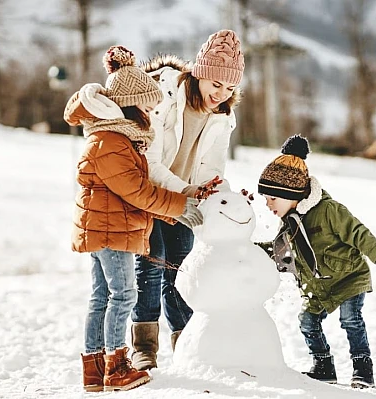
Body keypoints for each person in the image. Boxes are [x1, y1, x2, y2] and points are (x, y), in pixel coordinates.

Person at [64, 45, 214, 392]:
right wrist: (178, 205)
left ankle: (94, 370)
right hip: (109, 230)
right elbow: (137, 191)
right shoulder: (111, 141)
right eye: (147, 106)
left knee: (102, 297)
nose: (151, 112)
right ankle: (116, 367)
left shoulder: (117, 139)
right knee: (124, 295)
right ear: (130, 104)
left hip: (106, 227)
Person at [129, 29, 245, 371]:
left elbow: (213, 170)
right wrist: (186, 192)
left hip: (184, 199)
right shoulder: (164, 95)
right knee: (152, 264)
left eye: (229, 88)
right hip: (148, 192)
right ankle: (144, 347)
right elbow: (150, 161)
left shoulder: (223, 116)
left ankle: (187, 343)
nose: (221, 94)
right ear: (200, 74)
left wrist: (226, 200)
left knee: (181, 269)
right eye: (216, 84)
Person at [256, 135, 376, 389]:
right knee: (307, 321)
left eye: (272, 197)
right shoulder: (289, 222)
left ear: (291, 193)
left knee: (350, 320)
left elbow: (359, 233)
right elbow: (280, 253)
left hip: (348, 278)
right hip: (319, 287)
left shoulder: (329, 211)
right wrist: (247, 253)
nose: (267, 203)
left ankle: (362, 369)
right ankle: (324, 366)